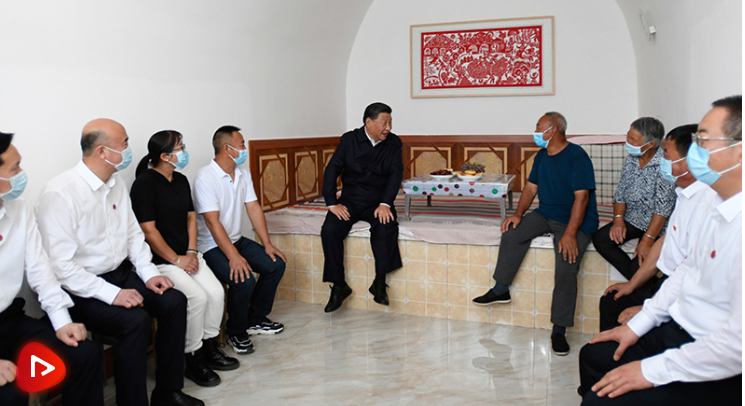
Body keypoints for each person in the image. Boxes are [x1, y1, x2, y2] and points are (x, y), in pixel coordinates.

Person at [578, 95, 742, 406]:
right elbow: (687, 268)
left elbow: (736, 343)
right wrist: (641, 323)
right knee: (595, 355)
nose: (696, 151)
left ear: (740, 152)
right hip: (679, 327)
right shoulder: (718, 207)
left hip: (716, 358)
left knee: (600, 400)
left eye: (703, 141)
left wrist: (650, 370)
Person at [35, 119, 203, 406]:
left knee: (174, 300)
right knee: (135, 321)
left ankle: (168, 392)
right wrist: (113, 294)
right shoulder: (60, 194)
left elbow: (133, 236)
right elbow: (61, 267)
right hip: (79, 287)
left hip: (120, 273)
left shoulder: (114, 185)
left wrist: (149, 274)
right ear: (102, 151)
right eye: (124, 143)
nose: (128, 150)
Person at [472, 112, 598, 356]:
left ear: (553, 130)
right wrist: (518, 214)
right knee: (512, 232)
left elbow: (582, 199)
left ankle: (559, 330)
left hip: (576, 220)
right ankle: (501, 289)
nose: (536, 132)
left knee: (566, 264)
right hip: (546, 213)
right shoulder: (542, 156)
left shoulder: (577, 157)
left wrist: (570, 234)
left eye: (539, 127)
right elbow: (530, 188)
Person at [0, 132, 103, 406]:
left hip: (10, 320)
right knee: (10, 394)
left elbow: (40, 270)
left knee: (84, 354)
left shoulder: (19, 210)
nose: (22, 174)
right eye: (14, 168)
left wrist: (61, 321)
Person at [131, 130, 239, 388]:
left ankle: (209, 347)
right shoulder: (144, 184)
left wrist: (191, 252)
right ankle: (192, 357)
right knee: (197, 298)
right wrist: (177, 260)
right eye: (180, 148)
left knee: (216, 293)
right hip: (162, 262)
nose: (184, 152)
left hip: (189, 255)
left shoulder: (180, 180)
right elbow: (149, 231)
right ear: (164, 156)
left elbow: (191, 217)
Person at [599, 124, 715, 331]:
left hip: (682, 292)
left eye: (667, 154)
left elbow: (691, 271)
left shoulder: (708, 204)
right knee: (611, 299)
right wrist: (632, 284)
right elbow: (667, 240)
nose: (664, 159)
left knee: (623, 306)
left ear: (690, 162)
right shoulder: (685, 194)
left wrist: (650, 308)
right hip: (667, 278)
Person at [193, 125, 286, 356]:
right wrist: (234, 256)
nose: (244, 148)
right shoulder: (205, 177)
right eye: (242, 144)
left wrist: (267, 244)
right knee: (243, 279)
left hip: (235, 239)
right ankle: (237, 331)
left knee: (275, 264)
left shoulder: (242, 172)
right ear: (227, 148)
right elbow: (212, 222)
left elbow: (253, 207)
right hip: (210, 245)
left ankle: (256, 319)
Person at [321, 102, 404, 313]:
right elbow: (332, 169)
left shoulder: (394, 143)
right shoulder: (349, 140)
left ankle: (379, 282)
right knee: (330, 229)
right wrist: (332, 203)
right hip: (350, 200)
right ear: (369, 122)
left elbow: (395, 175)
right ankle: (339, 285)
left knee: (386, 225)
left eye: (390, 122)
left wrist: (385, 203)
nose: (388, 128)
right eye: (384, 122)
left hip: (378, 201)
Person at [592, 118, 677, 282]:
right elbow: (620, 193)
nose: (628, 141)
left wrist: (647, 240)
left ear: (650, 144)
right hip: (633, 218)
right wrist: (618, 220)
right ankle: (646, 287)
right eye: (628, 136)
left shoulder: (664, 166)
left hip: (657, 225)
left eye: (633, 139)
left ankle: (639, 286)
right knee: (601, 239)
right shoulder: (631, 160)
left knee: (639, 262)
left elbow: (662, 210)